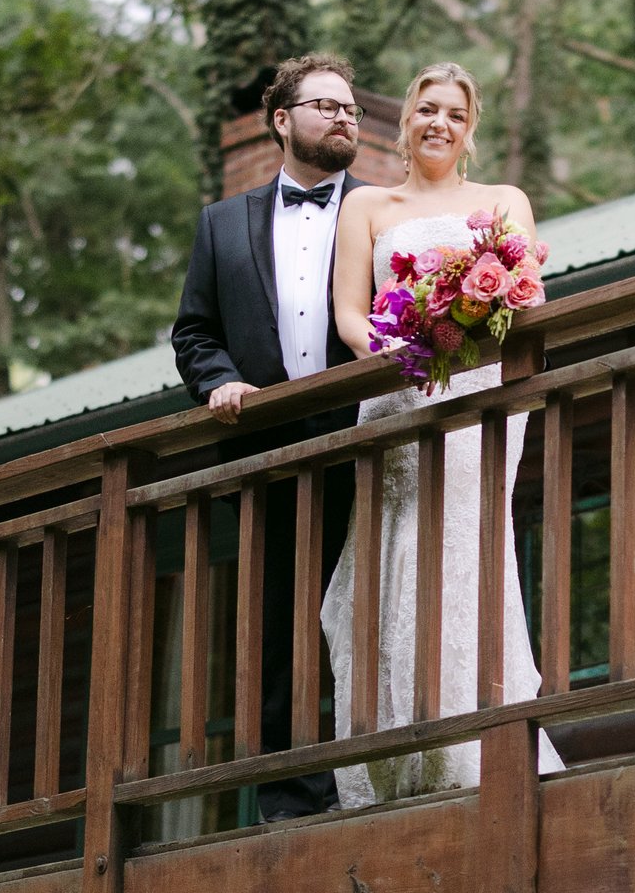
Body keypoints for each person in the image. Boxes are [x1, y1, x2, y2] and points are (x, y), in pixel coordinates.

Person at [320, 61, 565, 807]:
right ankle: (399, 748)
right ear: (406, 121)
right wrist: (392, 352)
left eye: (455, 114)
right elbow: (351, 312)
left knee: (468, 543)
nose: (439, 124)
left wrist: (461, 321)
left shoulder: (501, 200)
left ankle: (475, 738)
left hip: (476, 391)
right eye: (427, 109)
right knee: (397, 550)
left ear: (471, 128)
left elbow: (529, 293)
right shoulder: (367, 204)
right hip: (397, 392)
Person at [171, 53, 367, 818]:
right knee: (281, 624)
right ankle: (293, 796)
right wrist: (218, 377)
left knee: (372, 610)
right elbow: (194, 330)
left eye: (351, 108)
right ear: (282, 120)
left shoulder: (381, 208)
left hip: (366, 439)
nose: (344, 116)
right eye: (325, 105)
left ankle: (377, 770)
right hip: (267, 453)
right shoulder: (221, 224)